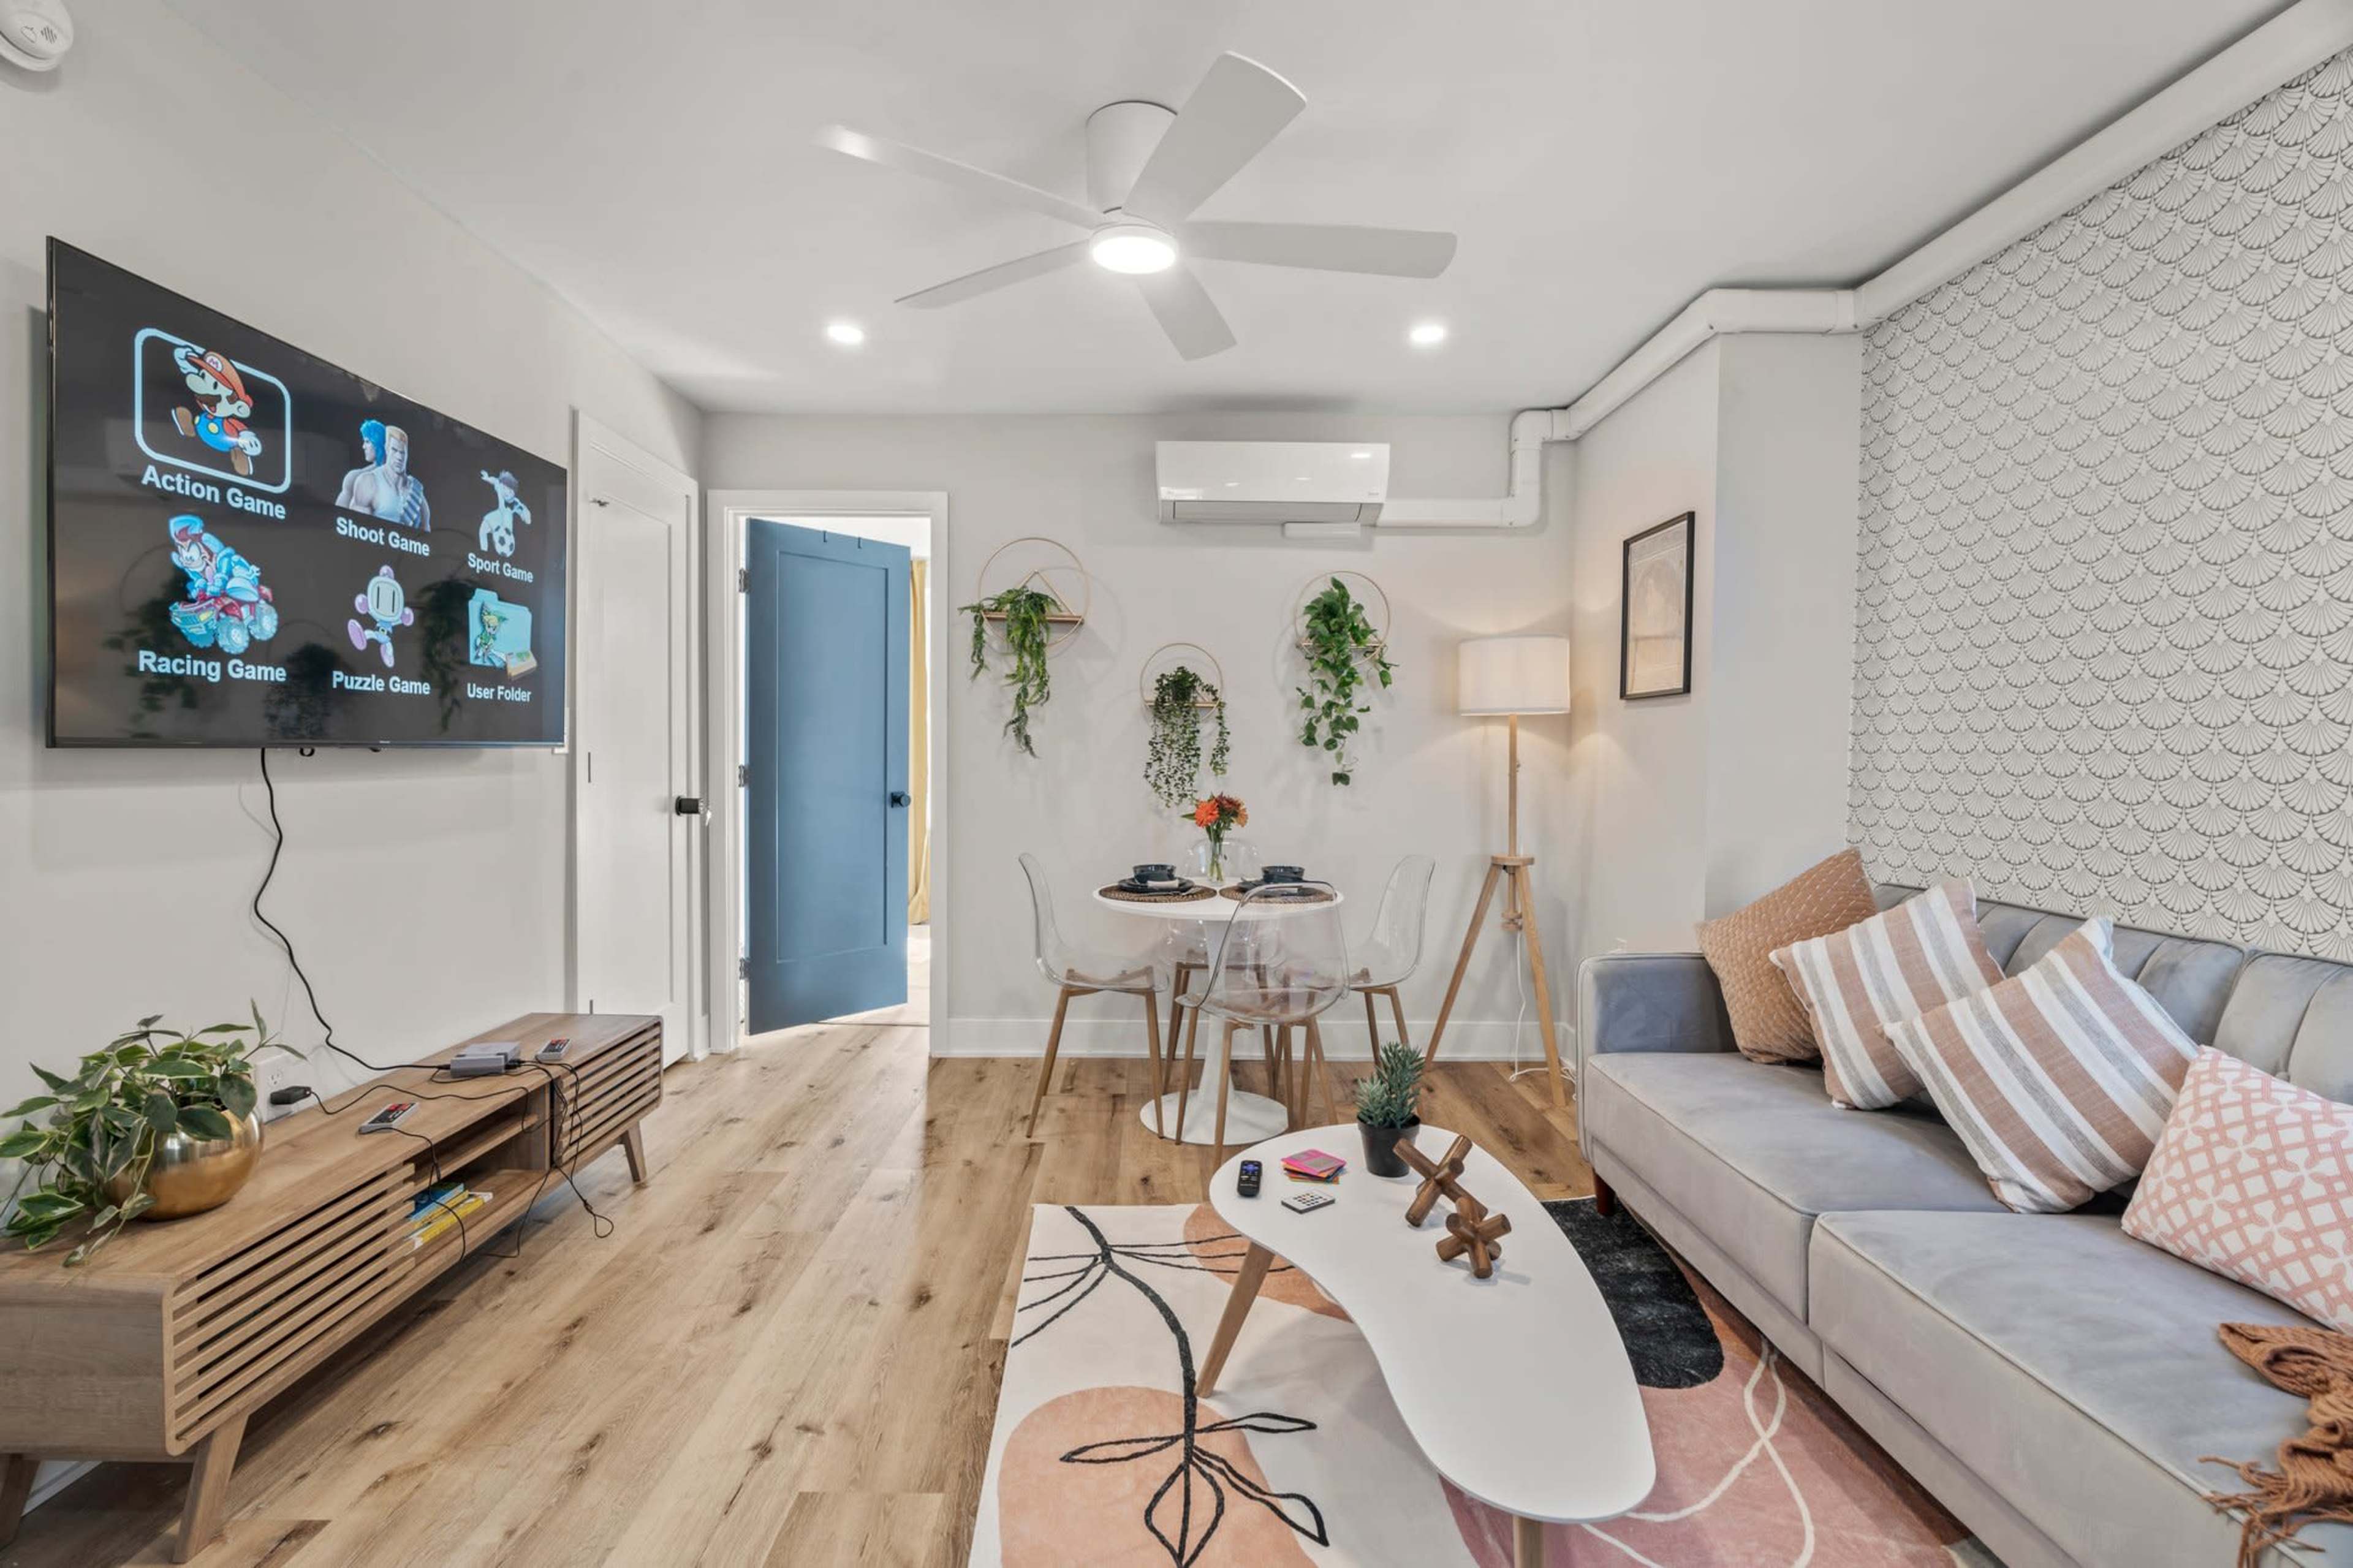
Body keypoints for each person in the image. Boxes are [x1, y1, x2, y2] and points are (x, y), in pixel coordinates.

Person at [335, 422, 430, 529]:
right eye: (395, 450)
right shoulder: (364, 480)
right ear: (387, 448)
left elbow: (426, 533)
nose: (399, 457)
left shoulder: (416, 489)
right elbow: (346, 524)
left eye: (403, 452)